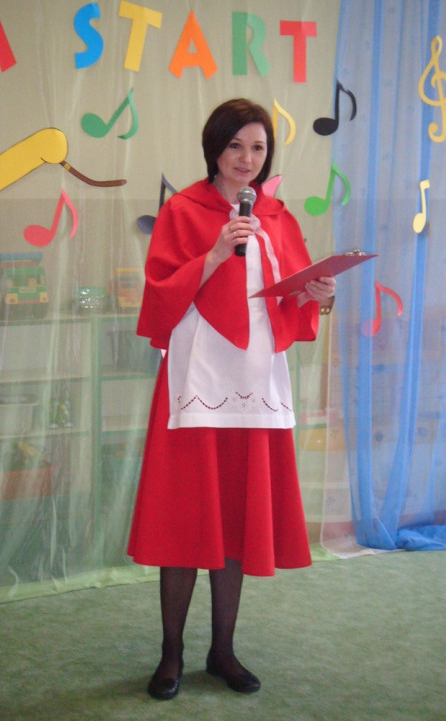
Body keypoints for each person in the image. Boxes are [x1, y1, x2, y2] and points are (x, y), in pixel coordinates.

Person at [127, 98, 336, 701]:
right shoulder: (183, 210)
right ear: (214, 149)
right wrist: (217, 252)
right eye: (236, 146)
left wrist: (318, 294)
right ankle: (171, 652)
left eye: (259, 148)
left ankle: (223, 650)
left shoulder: (278, 216)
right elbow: (159, 296)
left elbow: (290, 298)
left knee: (237, 518)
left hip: (255, 381)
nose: (247, 159)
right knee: (185, 518)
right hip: (195, 383)